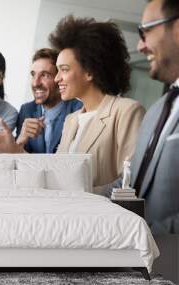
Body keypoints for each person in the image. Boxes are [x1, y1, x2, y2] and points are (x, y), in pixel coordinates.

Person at [49, 16, 146, 191]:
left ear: (90, 71)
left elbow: (129, 182)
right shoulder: (71, 120)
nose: (57, 78)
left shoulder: (126, 111)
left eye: (64, 70)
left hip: (98, 216)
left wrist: (79, 196)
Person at [108, 0, 179, 234]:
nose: (140, 45)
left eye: (145, 31)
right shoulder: (157, 110)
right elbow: (130, 182)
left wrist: (140, 237)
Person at [0, 48, 81, 153]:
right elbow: (18, 160)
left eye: (44, 75)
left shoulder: (79, 110)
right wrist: (20, 140)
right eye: (33, 75)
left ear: (59, 78)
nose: (35, 83)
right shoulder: (27, 110)